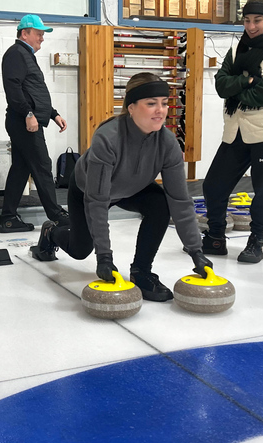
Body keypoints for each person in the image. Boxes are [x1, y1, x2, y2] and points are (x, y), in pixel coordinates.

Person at [30, 73, 212, 302]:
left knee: (161, 204)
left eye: (164, 103)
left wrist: (196, 252)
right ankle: (52, 232)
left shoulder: (167, 144)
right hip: (88, 189)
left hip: (133, 188)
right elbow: (97, 201)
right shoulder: (108, 138)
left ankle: (142, 272)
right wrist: (104, 257)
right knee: (79, 250)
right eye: (151, 103)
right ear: (132, 107)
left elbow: (180, 200)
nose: (161, 110)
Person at [201, 0, 263, 264]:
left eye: (257, 20)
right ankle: (215, 237)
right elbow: (222, 85)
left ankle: (256, 241)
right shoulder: (236, 49)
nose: (251, 26)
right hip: (236, 131)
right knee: (213, 185)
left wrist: (240, 87)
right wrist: (247, 80)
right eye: (247, 20)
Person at [0, 14, 69, 233]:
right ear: (24, 33)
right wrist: (28, 113)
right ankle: (56, 215)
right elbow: (13, 88)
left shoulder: (25, 55)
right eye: (38, 34)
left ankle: (8, 218)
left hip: (28, 119)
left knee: (21, 169)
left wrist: (53, 114)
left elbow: (34, 91)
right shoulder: (16, 54)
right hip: (23, 121)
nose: (42, 38)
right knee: (42, 164)